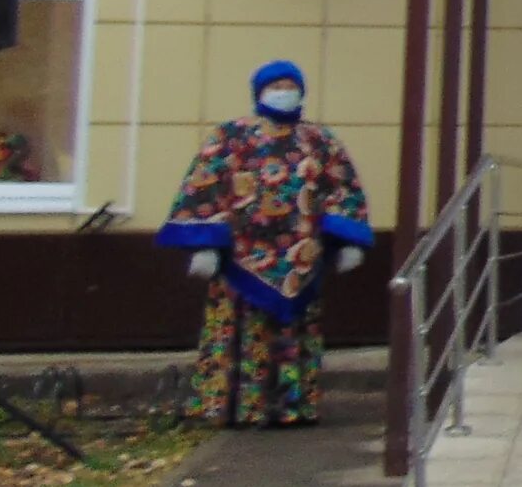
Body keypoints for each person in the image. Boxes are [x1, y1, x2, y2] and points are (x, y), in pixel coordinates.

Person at [154, 61, 373, 427]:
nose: (283, 92)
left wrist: (348, 238)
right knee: (241, 332)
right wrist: (204, 243)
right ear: (259, 91)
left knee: (292, 335)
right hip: (240, 259)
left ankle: (292, 406)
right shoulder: (232, 137)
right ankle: (235, 407)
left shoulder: (319, 140)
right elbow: (204, 185)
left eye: (290, 85)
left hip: (299, 261)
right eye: (276, 86)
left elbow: (342, 188)